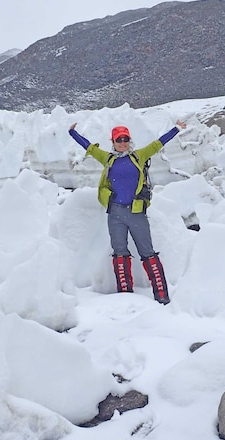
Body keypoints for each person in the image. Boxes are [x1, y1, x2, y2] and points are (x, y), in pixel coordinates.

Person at [69, 120, 186, 304]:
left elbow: (158, 143)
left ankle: (162, 295)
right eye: (118, 140)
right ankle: (125, 296)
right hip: (115, 213)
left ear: (129, 140)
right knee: (120, 252)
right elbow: (89, 148)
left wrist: (177, 129)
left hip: (136, 212)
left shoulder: (139, 156)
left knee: (147, 252)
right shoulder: (108, 158)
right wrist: (72, 133)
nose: (122, 143)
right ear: (113, 142)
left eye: (125, 139)